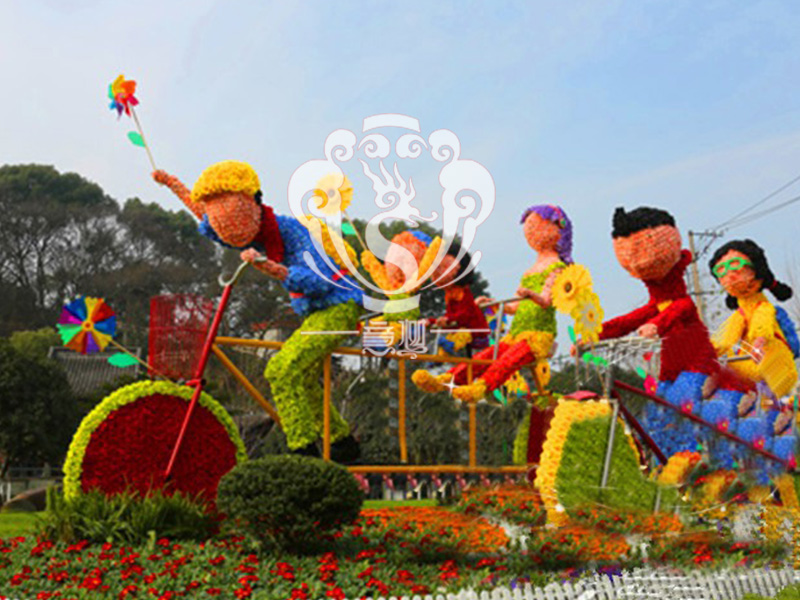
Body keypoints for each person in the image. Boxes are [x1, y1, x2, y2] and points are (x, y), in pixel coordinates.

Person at [153, 161, 362, 462]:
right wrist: (173, 184)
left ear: (255, 204)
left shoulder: (291, 231)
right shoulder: (258, 233)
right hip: (315, 313)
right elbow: (203, 214)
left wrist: (275, 269)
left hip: (339, 304)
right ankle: (343, 443)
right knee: (304, 380)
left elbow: (321, 279)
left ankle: (303, 453)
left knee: (281, 370)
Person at [590, 206, 747, 458]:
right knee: (655, 415)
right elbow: (629, 320)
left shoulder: (680, 303)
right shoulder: (656, 305)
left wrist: (657, 324)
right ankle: (665, 465)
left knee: (678, 405)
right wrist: (594, 334)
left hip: (697, 362)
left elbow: (679, 308)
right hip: (669, 367)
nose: (638, 262)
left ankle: (691, 460)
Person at [412, 205, 573, 402]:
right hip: (516, 334)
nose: (532, 232)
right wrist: (494, 304)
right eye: (529, 227)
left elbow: (546, 301)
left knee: (507, 361)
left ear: (558, 230)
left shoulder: (558, 268)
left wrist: (531, 295)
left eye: (538, 226)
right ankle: (446, 379)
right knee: (485, 356)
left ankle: (479, 388)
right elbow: (513, 308)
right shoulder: (530, 271)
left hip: (539, 336)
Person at [708, 239, 798, 399]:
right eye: (721, 270)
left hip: (774, 363)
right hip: (753, 366)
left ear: (756, 270)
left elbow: (762, 325)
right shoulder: (739, 316)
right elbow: (726, 339)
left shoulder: (764, 307)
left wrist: (759, 341)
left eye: (735, 264)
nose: (729, 275)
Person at [427, 242, 490, 356]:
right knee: (443, 343)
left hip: (475, 334)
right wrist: (432, 321)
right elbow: (451, 317)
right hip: (460, 331)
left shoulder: (463, 293)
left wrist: (447, 320)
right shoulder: (450, 295)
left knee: (460, 335)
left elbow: (465, 315)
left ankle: (447, 352)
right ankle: (438, 361)